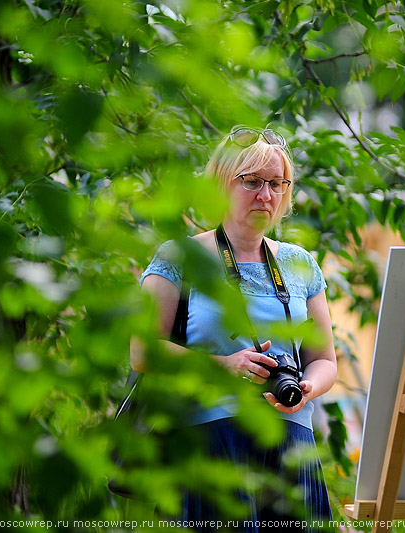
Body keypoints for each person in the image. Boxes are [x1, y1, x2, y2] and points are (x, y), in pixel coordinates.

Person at [131, 126, 337, 532]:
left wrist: (308, 388)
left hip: (291, 445)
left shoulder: (299, 264)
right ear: (221, 184)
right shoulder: (181, 257)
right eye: (253, 182)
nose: (266, 195)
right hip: (210, 441)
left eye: (277, 183)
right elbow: (142, 353)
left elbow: (326, 361)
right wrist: (225, 365)